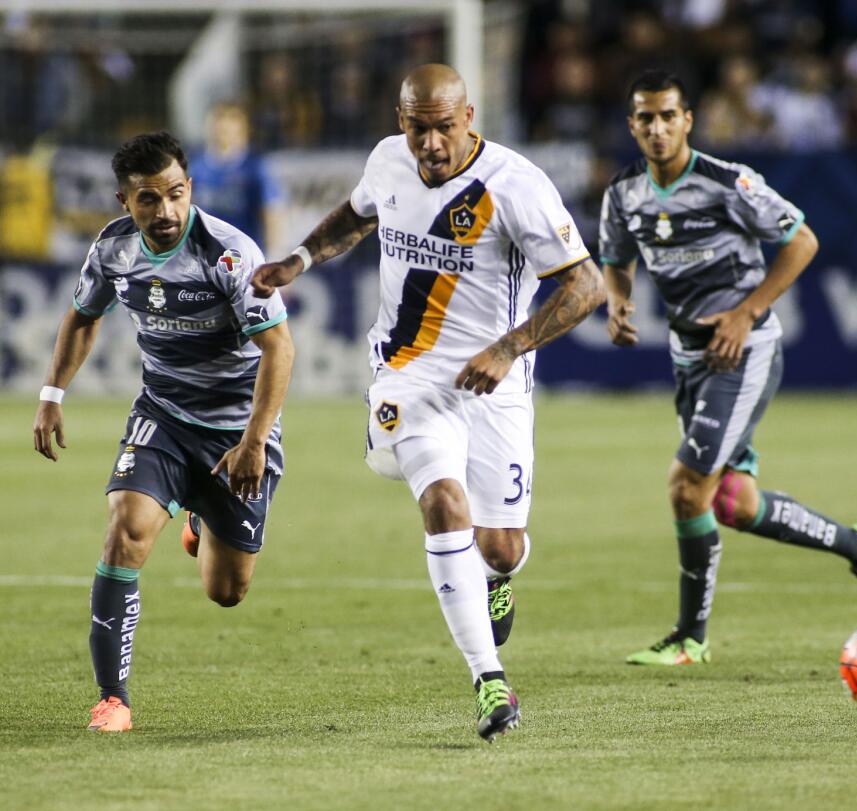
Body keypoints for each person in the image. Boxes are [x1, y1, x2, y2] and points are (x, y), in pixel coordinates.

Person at [250, 64, 604, 741]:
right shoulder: (388, 161)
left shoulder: (516, 186)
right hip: (407, 377)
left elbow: (585, 287)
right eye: (419, 128)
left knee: (500, 547)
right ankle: (488, 678)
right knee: (443, 502)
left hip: (496, 380)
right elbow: (354, 218)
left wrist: (509, 347)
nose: (432, 143)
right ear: (400, 120)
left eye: (445, 127)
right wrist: (297, 259)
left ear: (469, 116)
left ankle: (496, 576)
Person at [599, 70, 857, 667]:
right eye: (645, 119)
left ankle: (691, 637)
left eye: (668, 116)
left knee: (687, 488)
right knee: (733, 502)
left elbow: (803, 240)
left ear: (688, 120)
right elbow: (617, 256)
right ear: (632, 126)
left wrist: (745, 313)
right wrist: (617, 299)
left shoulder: (727, 182)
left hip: (745, 350)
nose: (657, 128)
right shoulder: (623, 193)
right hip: (689, 356)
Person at [32, 131, 294, 731]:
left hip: (236, 431)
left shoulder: (229, 253)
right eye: (149, 199)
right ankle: (112, 699)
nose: (166, 211)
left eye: (176, 194)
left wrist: (253, 441)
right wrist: (51, 395)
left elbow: (279, 349)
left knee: (227, 592)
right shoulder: (113, 247)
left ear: (190, 189)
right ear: (125, 201)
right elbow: (82, 315)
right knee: (125, 531)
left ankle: (202, 517)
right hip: (163, 415)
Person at [189, 102, 285, 253]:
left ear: (243, 129)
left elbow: (271, 212)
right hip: (207, 258)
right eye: (219, 120)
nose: (222, 127)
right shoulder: (196, 167)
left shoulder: (255, 167)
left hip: (244, 257)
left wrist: (273, 255)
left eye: (230, 121)